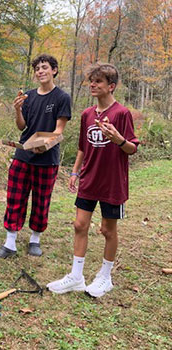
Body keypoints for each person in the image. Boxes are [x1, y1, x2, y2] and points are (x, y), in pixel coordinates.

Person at [47, 63, 139, 298]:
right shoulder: (87, 114)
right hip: (88, 179)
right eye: (91, 81)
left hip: (112, 182)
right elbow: (82, 148)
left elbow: (131, 149)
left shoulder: (122, 113)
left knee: (107, 230)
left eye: (98, 81)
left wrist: (118, 138)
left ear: (111, 86)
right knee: (80, 225)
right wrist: (75, 172)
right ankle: (76, 277)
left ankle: (105, 277)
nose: (93, 85)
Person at [0, 54, 71, 259]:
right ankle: (10, 243)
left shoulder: (62, 98)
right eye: (37, 69)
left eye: (44, 67)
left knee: (42, 199)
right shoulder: (28, 96)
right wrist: (17, 110)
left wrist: (44, 145)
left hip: (47, 157)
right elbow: (21, 126)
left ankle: (35, 239)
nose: (40, 71)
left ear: (54, 70)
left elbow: (59, 130)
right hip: (23, 155)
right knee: (15, 196)